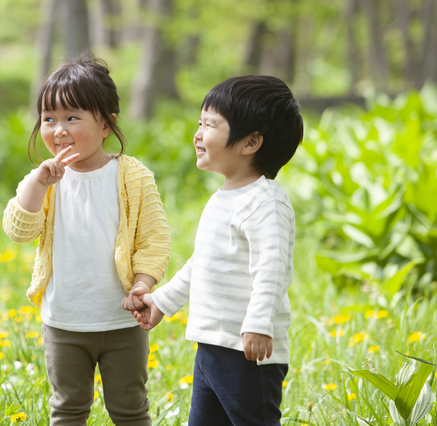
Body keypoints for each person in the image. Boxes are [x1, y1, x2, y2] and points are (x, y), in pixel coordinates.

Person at [123, 75, 303, 426]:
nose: (198, 134)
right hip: (211, 344)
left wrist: (258, 323)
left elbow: (271, 268)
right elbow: (202, 264)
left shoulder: (265, 202)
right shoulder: (222, 199)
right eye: (200, 122)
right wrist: (162, 301)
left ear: (251, 142)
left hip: (247, 351)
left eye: (210, 124)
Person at [3, 56, 171, 426]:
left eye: (72, 117)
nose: (58, 129)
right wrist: (36, 185)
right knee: (67, 409)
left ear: (107, 124)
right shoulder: (43, 182)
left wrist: (143, 283)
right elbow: (19, 230)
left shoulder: (133, 176)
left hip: (122, 321)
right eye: (49, 119)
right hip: (64, 321)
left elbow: (154, 238)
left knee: (130, 410)